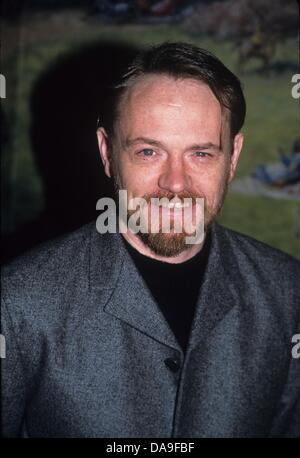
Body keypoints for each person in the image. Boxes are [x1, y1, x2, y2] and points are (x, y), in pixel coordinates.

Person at [1, 42, 299, 438]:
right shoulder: (18, 302)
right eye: (148, 152)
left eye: (201, 154)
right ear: (107, 151)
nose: (175, 183)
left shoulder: (288, 293)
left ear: (233, 156)